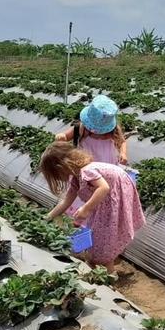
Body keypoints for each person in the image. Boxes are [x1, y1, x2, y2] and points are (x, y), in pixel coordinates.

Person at [41, 142, 145, 275]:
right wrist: (46, 218)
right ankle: (101, 262)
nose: (59, 178)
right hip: (106, 202)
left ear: (61, 167)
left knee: (103, 248)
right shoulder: (76, 178)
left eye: (56, 175)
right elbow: (65, 202)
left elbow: (104, 187)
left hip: (116, 196)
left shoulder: (86, 171)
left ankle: (108, 276)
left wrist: (86, 208)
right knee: (99, 238)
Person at [56, 94, 128, 165]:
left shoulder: (112, 131)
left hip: (108, 165)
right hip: (85, 165)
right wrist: (61, 136)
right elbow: (65, 136)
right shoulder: (81, 128)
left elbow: (122, 142)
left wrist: (123, 153)